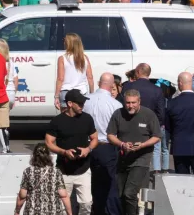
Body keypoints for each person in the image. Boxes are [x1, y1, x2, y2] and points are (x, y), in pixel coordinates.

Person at [106, 89, 162, 215]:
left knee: (129, 193)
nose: (130, 106)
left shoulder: (148, 114)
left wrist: (142, 145)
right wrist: (122, 144)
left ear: (139, 101)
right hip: (123, 158)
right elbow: (110, 135)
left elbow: (157, 136)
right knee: (121, 194)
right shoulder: (118, 114)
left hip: (141, 158)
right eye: (127, 103)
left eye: (133, 103)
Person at [46, 89, 98, 215]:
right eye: (79, 103)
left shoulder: (87, 118)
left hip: (83, 169)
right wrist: (64, 152)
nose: (82, 106)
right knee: (62, 206)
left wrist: (88, 149)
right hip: (64, 171)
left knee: (86, 203)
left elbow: (95, 139)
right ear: (70, 103)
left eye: (83, 103)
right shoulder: (57, 121)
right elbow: (49, 142)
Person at [84, 73, 123, 215]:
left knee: (92, 182)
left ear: (99, 82)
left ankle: (96, 210)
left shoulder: (86, 100)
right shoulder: (116, 105)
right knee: (110, 183)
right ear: (112, 85)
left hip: (88, 145)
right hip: (107, 146)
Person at [14, 143, 74, 215]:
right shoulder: (56, 172)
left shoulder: (28, 171)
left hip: (32, 211)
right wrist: (70, 213)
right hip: (53, 211)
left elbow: (22, 195)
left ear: (34, 156)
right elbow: (63, 195)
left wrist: (17, 211)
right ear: (48, 156)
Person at [56, 33, 95, 111]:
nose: (64, 43)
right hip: (81, 92)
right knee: (80, 119)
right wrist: (91, 94)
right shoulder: (85, 58)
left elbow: (60, 78)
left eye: (65, 41)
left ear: (69, 44)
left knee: (65, 119)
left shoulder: (62, 58)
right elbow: (90, 78)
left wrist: (56, 96)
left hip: (66, 92)